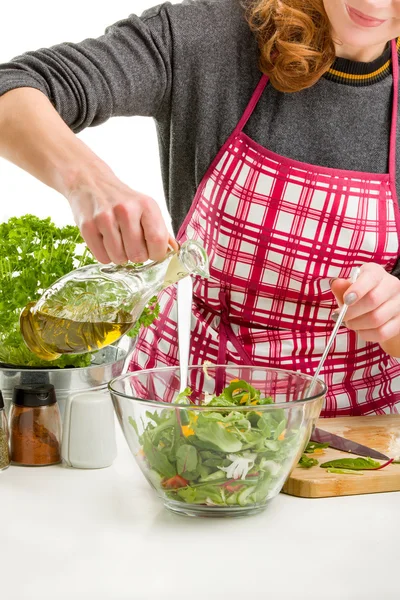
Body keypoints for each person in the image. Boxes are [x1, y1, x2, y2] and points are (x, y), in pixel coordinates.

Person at [1, 0, 400, 416]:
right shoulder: (210, 40)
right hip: (180, 422)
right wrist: (86, 180)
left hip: (352, 438)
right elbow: (13, 84)